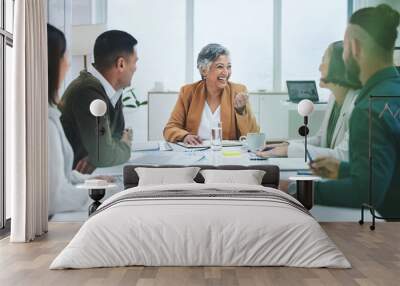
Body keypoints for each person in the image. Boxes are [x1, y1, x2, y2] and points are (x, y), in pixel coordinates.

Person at [310, 4, 400, 217]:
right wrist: (343, 169)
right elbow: (391, 172)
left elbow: (366, 193)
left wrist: (299, 190)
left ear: (355, 48)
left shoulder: (368, 109)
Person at [47, 24, 113, 215]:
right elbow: (54, 198)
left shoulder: (50, 114)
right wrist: (103, 194)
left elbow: (62, 175)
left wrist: (91, 182)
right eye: (64, 56)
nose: (68, 64)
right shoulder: (44, 125)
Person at [258, 41, 361, 161]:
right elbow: (320, 140)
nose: (319, 67)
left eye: (324, 62)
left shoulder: (359, 106)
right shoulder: (333, 98)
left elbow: (343, 156)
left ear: (339, 67)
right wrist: (287, 145)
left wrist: (287, 151)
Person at [60, 30, 138, 173]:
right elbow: (105, 154)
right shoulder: (87, 93)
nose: (135, 68)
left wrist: (100, 154)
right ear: (121, 64)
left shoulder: (113, 91)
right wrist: (125, 145)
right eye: (134, 62)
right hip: (71, 183)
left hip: (89, 177)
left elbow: (115, 137)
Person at [163, 43, 259, 145]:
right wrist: (185, 136)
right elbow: (170, 129)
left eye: (229, 67)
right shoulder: (187, 92)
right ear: (204, 70)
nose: (226, 72)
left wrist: (241, 111)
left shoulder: (238, 91)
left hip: (227, 155)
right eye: (220, 67)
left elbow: (254, 136)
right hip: (195, 153)